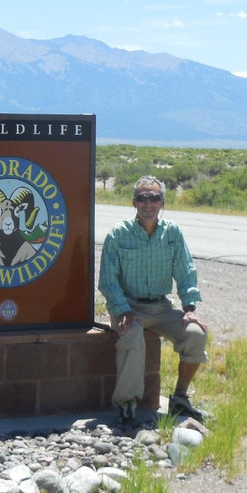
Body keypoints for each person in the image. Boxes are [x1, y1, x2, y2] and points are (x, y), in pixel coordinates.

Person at [98, 176, 208, 424]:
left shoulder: (172, 233)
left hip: (161, 307)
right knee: (132, 332)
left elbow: (185, 271)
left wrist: (189, 308)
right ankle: (127, 403)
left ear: (162, 203)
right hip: (128, 306)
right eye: (143, 198)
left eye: (154, 198)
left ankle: (180, 398)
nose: (148, 204)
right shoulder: (118, 234)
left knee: (195, 334)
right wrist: (123, 311)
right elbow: (107, 280)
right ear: (133, 202)